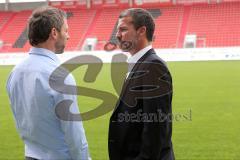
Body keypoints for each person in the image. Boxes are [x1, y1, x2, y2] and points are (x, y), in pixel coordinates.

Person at [6, 6, 90, 160]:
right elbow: (74, 133)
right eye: (66, 30)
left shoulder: (15, 73)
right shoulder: (59, 76)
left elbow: (21, 120)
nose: (68, 36)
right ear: (54, 33)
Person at [108, 8, 175, 160]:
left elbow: (155, 128)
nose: (117, 35)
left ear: (141, 31)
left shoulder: (153, 66)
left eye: (123, 29)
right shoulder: (141, 63)